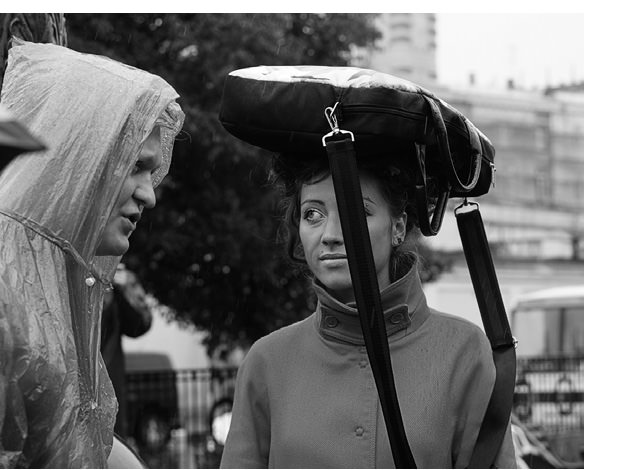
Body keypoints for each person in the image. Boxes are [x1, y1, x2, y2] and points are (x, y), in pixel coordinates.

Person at [220, 151, 516, 468]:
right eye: (312, 214)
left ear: (398, 226)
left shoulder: (464, 351)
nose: (330, 236)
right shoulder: (267, 361)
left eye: (356, 211)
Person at [0, 40, 184, 468]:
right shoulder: (9, 301)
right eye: (135, 166)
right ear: (76, 161)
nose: (150, 195)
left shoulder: (57, 285)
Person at [100, 265, 153, 439]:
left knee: (112, 436)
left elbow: (140, 324)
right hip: (76, 373)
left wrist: (122, 290)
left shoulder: (119, 275)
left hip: (110, 376)